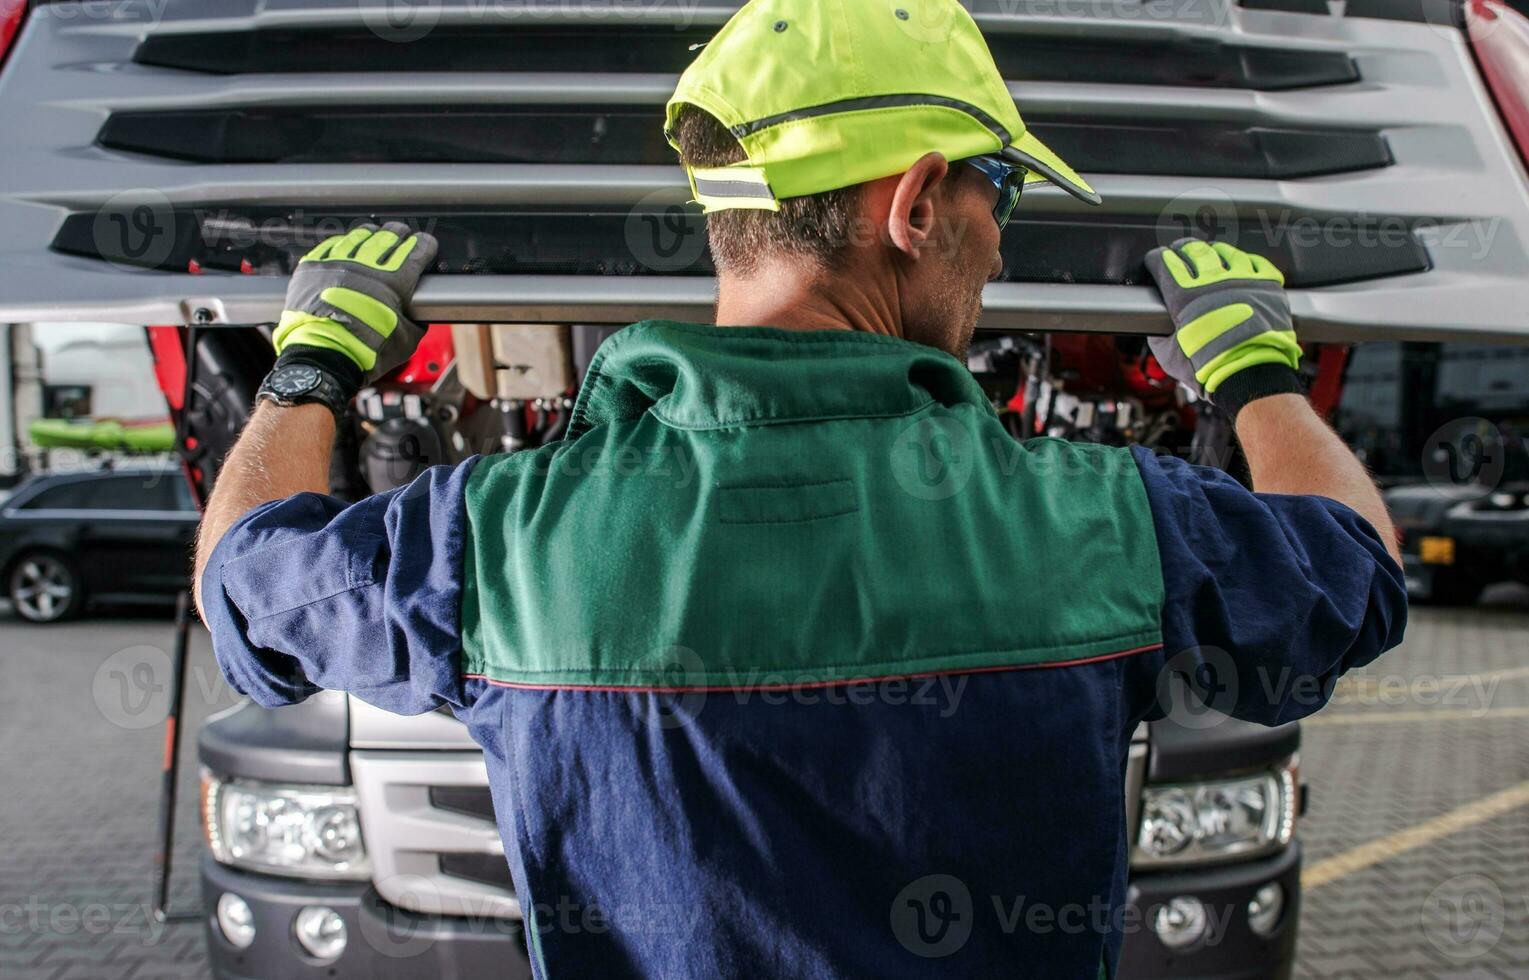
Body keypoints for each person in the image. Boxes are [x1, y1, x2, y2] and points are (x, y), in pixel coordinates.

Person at [194, 1, 1405, 976]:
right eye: (1004, 192)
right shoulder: (1099, 522)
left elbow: (240, 595)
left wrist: (308, 370)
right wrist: (1257, 377)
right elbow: (1354, 574)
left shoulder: (504, 539)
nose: (1002, 237)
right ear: (917, 203)